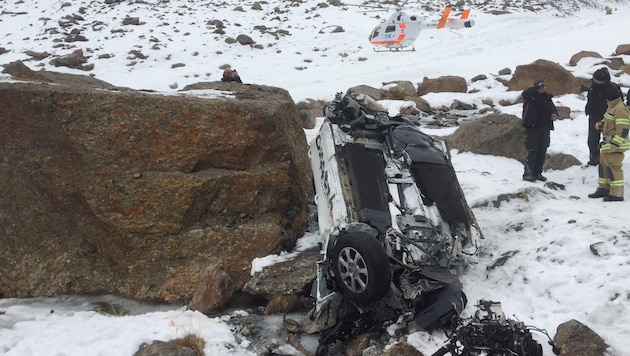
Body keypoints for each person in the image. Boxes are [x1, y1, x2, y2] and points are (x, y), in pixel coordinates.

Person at [587, 88, 630, 201]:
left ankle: (617, 194)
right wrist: (601, 124)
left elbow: (623, 128)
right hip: (607, 143)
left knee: (613, 167)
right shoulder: (612, 107)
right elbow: (610, 121)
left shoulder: (620, 109)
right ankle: (604, 188)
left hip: (615, 144)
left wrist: (616, 143)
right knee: (604, 166)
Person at [521, 79, 558, 182]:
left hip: (545, 127)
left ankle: (537, 173)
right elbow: (525, 94)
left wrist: (554, 114)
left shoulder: (547, 97)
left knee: (542, 151)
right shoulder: (530, 96)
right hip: (532, 127)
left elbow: (553, 108)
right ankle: (528, 173)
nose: (542, 88)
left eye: (544, 86)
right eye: (540, 86)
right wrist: (535, 88)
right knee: (532, 151)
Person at [584, 67, 623, 166]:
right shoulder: (593, 86)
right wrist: (588, 109)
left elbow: (619, 104)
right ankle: (594, 158)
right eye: (595, 80)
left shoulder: (613, 88)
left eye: (598, 80)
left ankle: (611, 159)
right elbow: (590, 100)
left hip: (609, 117)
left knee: (609, 140)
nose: (595, 82)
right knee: (592, 140)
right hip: (594, 116)